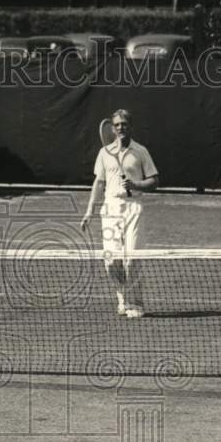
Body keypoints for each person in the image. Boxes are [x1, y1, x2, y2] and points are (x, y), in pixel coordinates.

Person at [80, 109, 159, 318]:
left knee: (132, 259)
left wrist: (136, 184)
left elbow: (154, 180)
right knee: (111, 259)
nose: (121, 128)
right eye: (117, 125)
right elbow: (98, 183)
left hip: (133, 207)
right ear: (112, 128)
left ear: (130, 126)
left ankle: (136, 303)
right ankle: (122, 298)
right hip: (110, 208)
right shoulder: (104, 153)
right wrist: (89, 210)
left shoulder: (140, 151)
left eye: (124, 124)